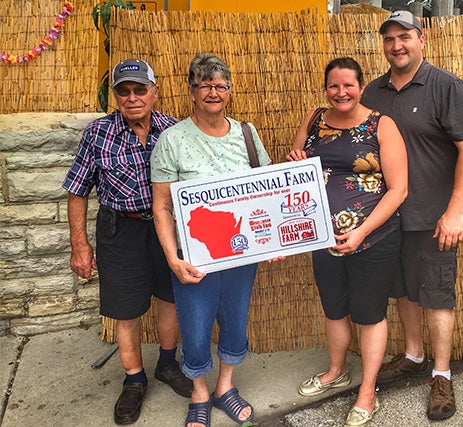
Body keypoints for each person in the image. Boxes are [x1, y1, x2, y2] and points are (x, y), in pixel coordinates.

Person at [361, 10, 463, 421]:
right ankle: (413, 354)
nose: (397, 45)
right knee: (403, 291)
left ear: (421, 39)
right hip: (387, 217)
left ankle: (442, 375)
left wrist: (456, 211)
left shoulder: (446, 87)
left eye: (405, 36)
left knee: (437, 295)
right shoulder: (372, 93)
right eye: (390, 38)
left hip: (433, 218)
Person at [62, 58, 194, 425]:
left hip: (168, 227)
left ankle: (167, 365)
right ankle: (134, 379)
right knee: (125, 309)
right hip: (120, 229)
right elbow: (77, 191)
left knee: (171, 298)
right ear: (116, 95)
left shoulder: (174, 130)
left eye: (140, 89)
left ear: (155, 91)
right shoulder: (98, 133)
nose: (133, 97)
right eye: (124, 91)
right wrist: (80, 245)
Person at [151, 53, 272, 427]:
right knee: (196, 323)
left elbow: (266, 195)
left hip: (239, 251)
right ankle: (200, 392)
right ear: (191, 91)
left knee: (235, 319)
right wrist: (172, 257)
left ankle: (224, 388)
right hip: (194, 256)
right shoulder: (172, 141)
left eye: (220, 85)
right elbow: (161, 206)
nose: (213, 92)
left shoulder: (247, 136)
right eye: (205, 85)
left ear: (230, 92)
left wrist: (273, 242)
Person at [286, 57, 408, 427]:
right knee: (334, 308)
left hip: (372, 239)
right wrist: (295, 160)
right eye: (334, 86)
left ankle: (367, 391)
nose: (341, 92)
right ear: (326, 88)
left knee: (370, 314)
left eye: (348, 85)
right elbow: (296, 173)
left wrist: (362, 231)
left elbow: (398, 189)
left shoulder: (381, 125)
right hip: (323, 238)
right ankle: (336, 370)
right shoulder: (314, 120)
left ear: (361, 86)